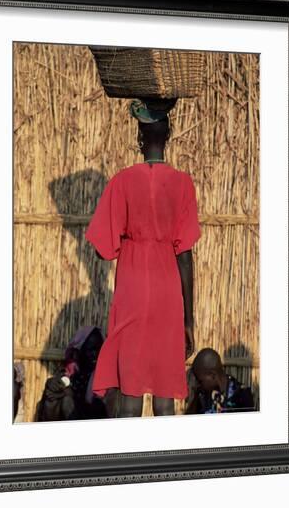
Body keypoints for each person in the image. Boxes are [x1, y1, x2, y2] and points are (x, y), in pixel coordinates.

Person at [85, 97, 202, 418]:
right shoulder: (182, 184)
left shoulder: (121, 182)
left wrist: (129, 236)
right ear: (168, 135)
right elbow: (186, 255)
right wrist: (188, 319)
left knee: (130, 392)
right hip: (168, 292)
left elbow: (101, 248)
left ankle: (128, 463)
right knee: (165, 395)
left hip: (133, 289)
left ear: (139, 137)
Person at [36, 326, 120, 421]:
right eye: (90, 349)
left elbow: (101, 413)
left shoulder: (105, 379)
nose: (95, 354)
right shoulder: (68, 374)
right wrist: (53, 391)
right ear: (78, 351)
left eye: (98, 350)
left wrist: (70, 398)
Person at [185, 348, 256, 414]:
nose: (199, 384)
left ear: (212, 376)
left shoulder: (242, 395)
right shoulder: (202, 394)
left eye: (200, 381)